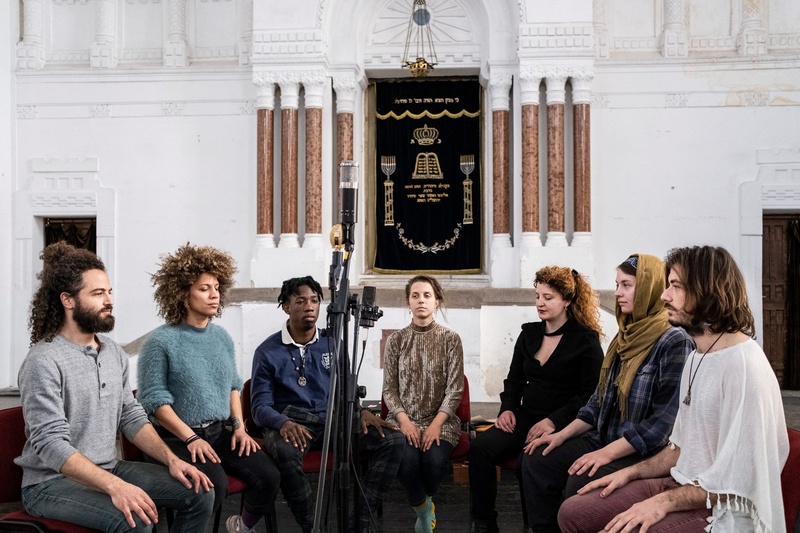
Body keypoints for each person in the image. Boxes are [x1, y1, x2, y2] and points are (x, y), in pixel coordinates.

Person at [558, 245, 789, 533]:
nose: (665, 295)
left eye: (676, 286)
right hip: (681, 482)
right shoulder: (697, 355)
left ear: (708, 291)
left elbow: (740, 481)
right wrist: (628, 473)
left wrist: (662, 503)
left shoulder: (743, 367)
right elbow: (679, 449)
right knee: (573, 513)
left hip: (723, 509)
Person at [16, 242, 214, 533]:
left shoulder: (112, 352)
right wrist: (116, 486)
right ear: (68, 300)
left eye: (109, 292)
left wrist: (172, 460)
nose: (108, 301)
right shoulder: (43, 361)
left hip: (108, 467)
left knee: (199, 492)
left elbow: (130, 416)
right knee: (136, 520)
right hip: (50, 483)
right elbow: (51, 446)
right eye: (97, 294)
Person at [520, 254, 695, 532]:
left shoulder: (674, 340)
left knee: (580, 478)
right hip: (603, 438)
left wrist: (606, 455)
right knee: (538, 458)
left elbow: (662, 426)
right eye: (617, 284)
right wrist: (560, 435)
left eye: (626, 285)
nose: (617, 293)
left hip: (643, 452)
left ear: (649, 287)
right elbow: (597, 402)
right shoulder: (624, 334)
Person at [137, 243, 280, 533]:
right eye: (204, 288)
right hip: (176, 439)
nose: (214, 294)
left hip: (219, 433)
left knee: (269, 476)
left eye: (216, 287)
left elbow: (233, 386)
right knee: (213, 486)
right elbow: (154, 402)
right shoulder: (160, 341)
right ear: (183, 293)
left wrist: (239, 428)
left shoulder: (222, 337)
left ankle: (242, 527)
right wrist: (190, 439)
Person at [250, 275, 404, 533]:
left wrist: (361, 410)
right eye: (300, 301)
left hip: (332, 420)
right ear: (286, 307)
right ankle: (313, 527)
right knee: (286, 454)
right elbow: (259, 407)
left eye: (314, 300)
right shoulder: (267, 352)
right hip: (293, 423)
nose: (309, 306)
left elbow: (347, 390)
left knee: (392, 440)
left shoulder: (332, 343)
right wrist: (283, 422)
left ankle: (360, 521)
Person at [468, 266, 605, 533]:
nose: (540, 303)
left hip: (564, 423)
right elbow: (514, 380)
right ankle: (484, 523)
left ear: (567, 300)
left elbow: (589, 395)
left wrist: (553, 422)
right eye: (537, 296)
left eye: (548, 297)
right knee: (480, 448)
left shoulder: (585, 340)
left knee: (529, 462)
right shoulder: (528, 333)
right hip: (526, 416)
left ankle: (534, 526)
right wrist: (507, 409)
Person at [382, 275, 465, 533]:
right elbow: (389, 390)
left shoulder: (451, 339)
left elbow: (455, 389)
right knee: (404, 461)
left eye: (427, 295)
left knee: (434, 462)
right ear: (408, 302)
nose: (421, 300)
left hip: (441, 421)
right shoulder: (396, 340)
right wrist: (404, 422)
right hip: (402, 421)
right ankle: (423, 509)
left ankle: (425, 500)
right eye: (415, 296)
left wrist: (436, 425)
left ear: (436, 302)